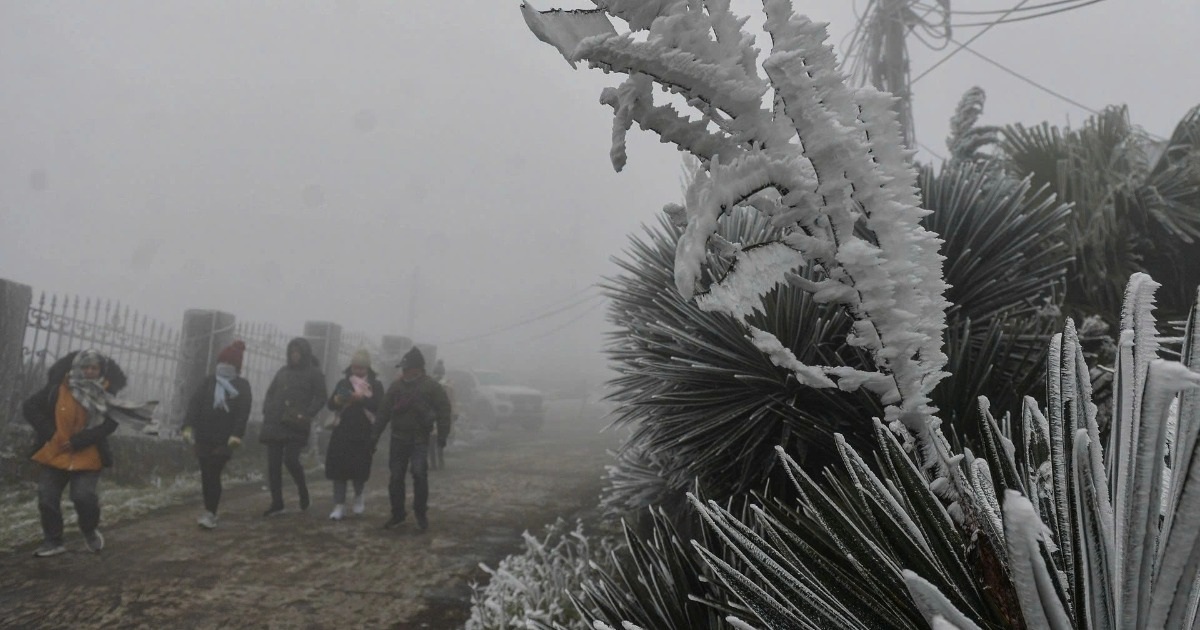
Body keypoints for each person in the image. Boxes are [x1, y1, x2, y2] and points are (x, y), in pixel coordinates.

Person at [22, 349, 156, 556]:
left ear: (101, 371)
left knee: (83, 497)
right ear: (76, 367)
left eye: (94, 368)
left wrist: (80, 440)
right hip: (56, 452)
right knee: (46, 496)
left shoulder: (105, 395)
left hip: (88, 454)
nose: (89, 371)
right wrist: (51, 433)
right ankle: (53, 541)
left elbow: (111, 424)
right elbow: (29, 407)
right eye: (85, 367)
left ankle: (89, 530)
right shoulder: (58, 388)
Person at [374, 347, 451, 532]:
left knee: (419, 475)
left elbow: (443, 411)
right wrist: (374, 436)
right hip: (398, 437)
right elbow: (383, 412)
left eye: (406, 368)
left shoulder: (432, 387)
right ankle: (398, 513)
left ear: (416, 369)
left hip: (419, 439)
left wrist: (442, 435)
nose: (403, 371)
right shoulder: (396, 386)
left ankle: (420, 513)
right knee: (396, 478)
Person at [182, 341, 252, 529]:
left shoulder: (242, 386)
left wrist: (237, 434)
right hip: (204, 436)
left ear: (236, 367)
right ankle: (209, 509)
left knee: (214, 470)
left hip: (224, 439)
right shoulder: (208, 381)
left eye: (229, 364)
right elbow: (195, 404)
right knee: (206, 474)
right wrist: (188, 426)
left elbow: (243, 412)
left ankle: (211, 512)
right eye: (222, 363)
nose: (224, 367)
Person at [259, 337, 327, 516]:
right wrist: (267, 408)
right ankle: (277, 502)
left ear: (305, 354)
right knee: (273, 464)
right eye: (292, 352)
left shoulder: (314, 373)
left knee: (290, 459)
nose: (294, 355)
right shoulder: (282, 372)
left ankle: (303, 490)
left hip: (296, 424)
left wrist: (307, 414)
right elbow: (271, 392)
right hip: (275, 422)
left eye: (298, 352)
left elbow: (321, 397)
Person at [325, 348, 383, 520]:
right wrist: (338, 400)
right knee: (339, 471)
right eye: (355, 367)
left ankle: (358, 496)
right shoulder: (343, 384)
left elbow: (380, 405)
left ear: (368, 369)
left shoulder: (375, 385)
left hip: (363, 434)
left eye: (361, 368)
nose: (357, 371)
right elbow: (331, 404)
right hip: (342, 432)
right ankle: (339, 505)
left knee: (359, 470)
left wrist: (362, 399)